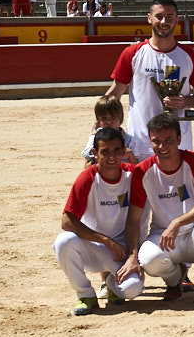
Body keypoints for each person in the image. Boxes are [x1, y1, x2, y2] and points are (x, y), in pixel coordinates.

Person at [125, 113, 194, 307]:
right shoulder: (142, 172)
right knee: (149, 260)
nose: (162, 147)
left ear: (179, 139)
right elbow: (134, 219)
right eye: (156, 141)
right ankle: (175, 279)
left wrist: (178, 222)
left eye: (168, 140)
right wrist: (132, 256)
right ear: (150, 141)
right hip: (163, 235)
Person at [54, 127, 145, 316]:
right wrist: (104, 240)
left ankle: (112, 284)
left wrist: (132, 255)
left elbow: (135, 220)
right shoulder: (87, 177)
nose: (111, 157)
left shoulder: (133, 175)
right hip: (93, 248)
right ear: (95, 153)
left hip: (121, 251)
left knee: (133, 289)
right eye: (105, 152)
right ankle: (86, 295)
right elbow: (67, 221)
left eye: (116, 151)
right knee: (63, 242)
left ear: (124, 151)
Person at [105, 0, 194, 160]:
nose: (164, 21)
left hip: (179, 143)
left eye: (169, 17)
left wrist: (185, 102)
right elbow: (115, 92)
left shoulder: (189, 56)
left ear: (177, 20)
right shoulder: (132, 54)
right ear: (149, 18)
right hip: (140, 143)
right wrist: (99, 125)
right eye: (159, 16)